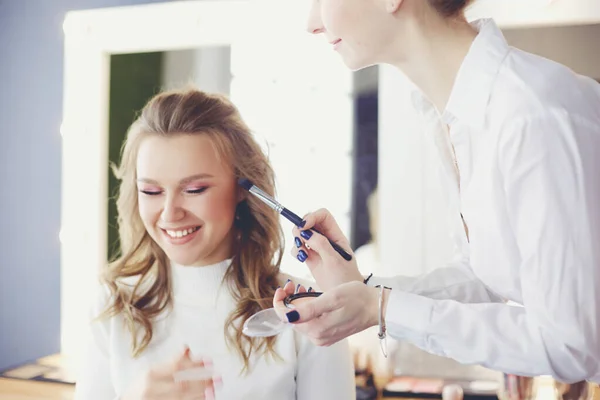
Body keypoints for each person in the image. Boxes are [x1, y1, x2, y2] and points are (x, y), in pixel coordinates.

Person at [274, 0, 600, 384]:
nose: (312, 23)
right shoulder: (457, 115)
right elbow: (487, 280)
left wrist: (381, 308)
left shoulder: (533, 114)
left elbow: (573, 344)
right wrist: (362, 291)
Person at [74, 87, 355, 399]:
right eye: (151, 192)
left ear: (242, 189)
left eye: (194, 189)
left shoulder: (309, 312)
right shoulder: (112, 306)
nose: (169, 213)